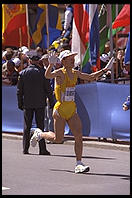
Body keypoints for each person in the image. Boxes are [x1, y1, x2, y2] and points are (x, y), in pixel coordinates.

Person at [30, 50, 113, 173]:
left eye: (73, 57)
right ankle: (40, 134)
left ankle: (79, 164)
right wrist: (51, 65)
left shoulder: (75, 73)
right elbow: (47, 76)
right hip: (60, 110)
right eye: (70, 58)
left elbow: (90, 77)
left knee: (78, 137)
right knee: (58, 139)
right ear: (63, 61)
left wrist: (105, 70)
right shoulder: (59, 73)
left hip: (71, 109)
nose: (73, 59)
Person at [17, 50, 55, 155]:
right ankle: (42, 149)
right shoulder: (43, 72)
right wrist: (52, 102)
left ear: (29, 60)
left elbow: (19, 91)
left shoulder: (23, 73)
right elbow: (48, 89)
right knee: (40, 127)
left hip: (27, 103)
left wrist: (20, 103)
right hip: (40, 103)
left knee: (27, 126)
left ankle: (25, 148)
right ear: (37, 61)